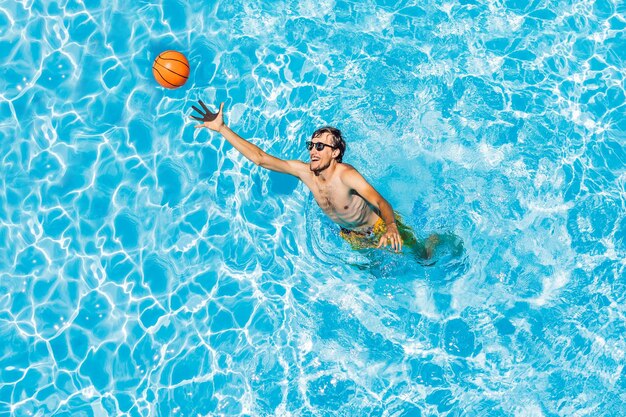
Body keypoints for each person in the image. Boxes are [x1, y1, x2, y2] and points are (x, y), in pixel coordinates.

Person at [190, 100, 422, 254]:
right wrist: (222, 129)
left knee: (421, 255)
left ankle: (436, 244)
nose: (313, 150)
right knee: (374, 276)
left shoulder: (346, 175)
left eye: (320, 146)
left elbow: (381, 202)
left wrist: (391, 226)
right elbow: (260, 158)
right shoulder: (305, 172)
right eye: (311, 144)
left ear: (335, 153)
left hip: (380, 227)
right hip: (351, 235)